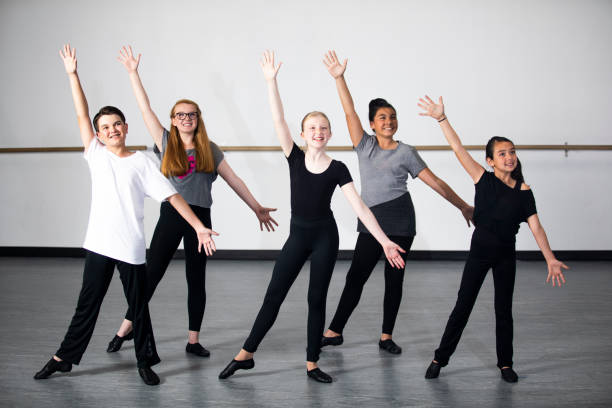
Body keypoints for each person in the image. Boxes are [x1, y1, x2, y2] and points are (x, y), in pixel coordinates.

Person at [34, 44, 218, 386]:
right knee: (86, 305)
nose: (112, 130)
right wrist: (73, 75)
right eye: (105, 127)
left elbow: (174, 197)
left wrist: (199, 227)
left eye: (117, 124)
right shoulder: (95, 153)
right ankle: (63, 358)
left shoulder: (143, 163)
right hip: (99, 245)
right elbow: (80, 113)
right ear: (99, 134)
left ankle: (145, 361)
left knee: (140, 307)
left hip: (131, 248)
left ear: (126, 127)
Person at [218, 51, 407, 383]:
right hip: (298, 236)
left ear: (329, 135)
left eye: (323, 128)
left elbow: (361, 208)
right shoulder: (293, 157)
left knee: (315, 298)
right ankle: (246, 353)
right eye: (312, 128)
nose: (318, 132)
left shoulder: (338, 168)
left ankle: (312, 363)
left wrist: (385, 241)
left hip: (324, 237)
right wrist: (270, 81)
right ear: (303, 134)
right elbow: (278, 121)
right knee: (274, 294)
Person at [106, 46, 278, 357]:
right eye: (180, 114)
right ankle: (125, 328)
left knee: (196, 279)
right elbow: (145, 109)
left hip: (202, 220)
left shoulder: (209, 149)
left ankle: (193, 340)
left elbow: (234, 180)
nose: (186, 118)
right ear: (173, 120)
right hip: (172, 215)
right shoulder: (165, 142)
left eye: (192, 114)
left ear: (198, 120)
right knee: (152, 275)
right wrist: (133, 73)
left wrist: (256, 207)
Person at [320, 51, 474, 354]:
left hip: (401, 221)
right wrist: (340, 77)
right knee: (356, 277)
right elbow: (348, 110)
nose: (388, 121)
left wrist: (463, 206)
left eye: (392, 117)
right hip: (371, 222)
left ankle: (386, 336)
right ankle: (334, 330)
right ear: (372, 125)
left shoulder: (407, 152)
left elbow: (436, 183)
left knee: (395, 281)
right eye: (382, 118)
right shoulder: (364, 145)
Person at [418, 95, 568, 383]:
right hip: (480, 252)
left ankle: (505, 364)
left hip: (505, 255)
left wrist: (550, 258)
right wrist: (441, 118)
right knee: (463, 306)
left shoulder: (524, 191)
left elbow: (536, 228)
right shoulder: (482, 179)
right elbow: (458, 148)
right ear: (490, 160)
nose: (509, 157)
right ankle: (440, 358)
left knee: (504, 310)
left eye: (512, 151)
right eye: (502, 153)